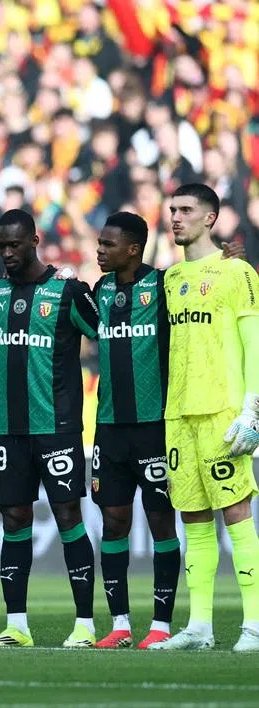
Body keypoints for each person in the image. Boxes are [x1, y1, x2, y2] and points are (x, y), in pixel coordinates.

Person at [0, 209, 100, 648]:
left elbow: (109, 333)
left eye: (14, 244)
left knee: (69, 516)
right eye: (1, 246)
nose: (7, 253)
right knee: (14, 519)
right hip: (10, 431)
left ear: (34, 241)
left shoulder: (67, 291)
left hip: (57, 427)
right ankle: (17, 625)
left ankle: (85, 624)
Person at [151, 183, 259, 652]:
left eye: (186, 210)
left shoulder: (237, 272)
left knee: (236, 515)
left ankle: (254, 624)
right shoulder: (172, 278)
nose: (175, 217)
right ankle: (200, 626)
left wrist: (253, 409)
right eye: (172, 209)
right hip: (179, 413)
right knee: (193, 519)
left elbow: (254, 342)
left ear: (210, 218)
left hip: (222, 412)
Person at [89, 212, 180, 649]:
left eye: (108, 244)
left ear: (133, 248)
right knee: (113, 522)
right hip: (109, 428)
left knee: (161, 520)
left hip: (153, 426)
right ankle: (120, 624)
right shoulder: (99, 291)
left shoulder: (161, 286)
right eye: (99, 243)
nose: (100, 251)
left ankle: (161, 625)